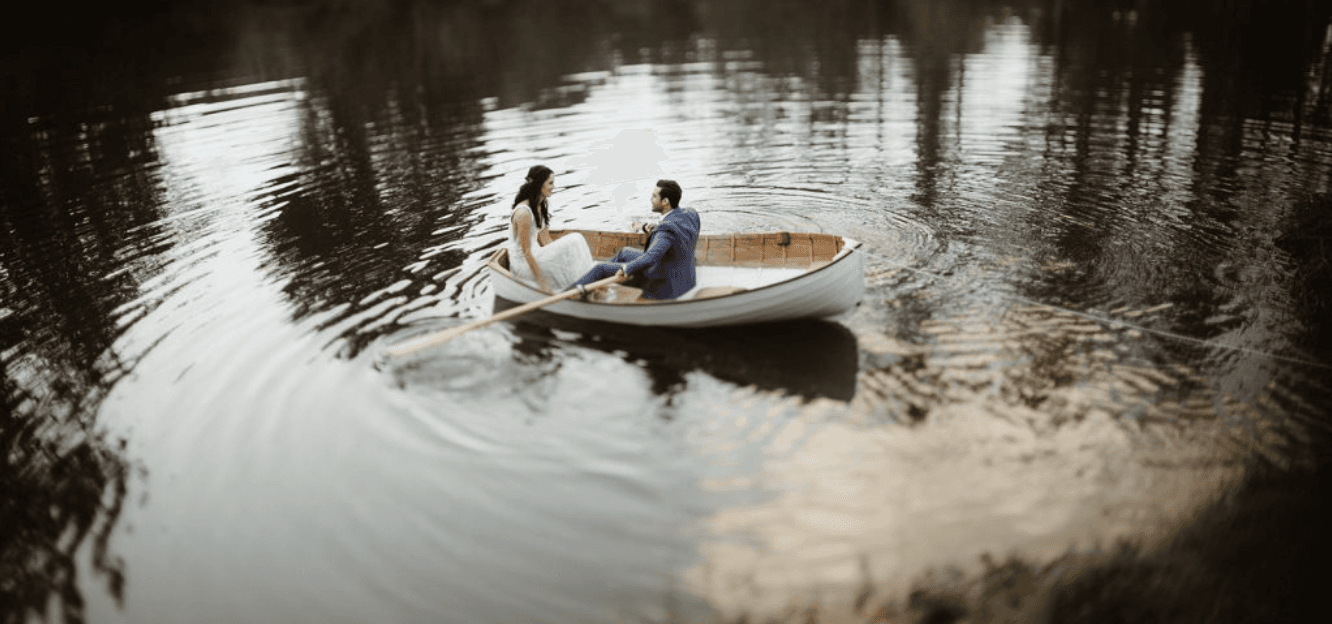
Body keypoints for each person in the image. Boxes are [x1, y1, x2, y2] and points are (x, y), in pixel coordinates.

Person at [571, 179, 700, 300]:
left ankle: (569, 294)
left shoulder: (665, 231)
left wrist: (625, 269)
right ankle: (607, 284)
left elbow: (650, 257)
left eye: (654, 196)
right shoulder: (690, 214)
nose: (651, 199)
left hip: (666, 286)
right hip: (687, 280)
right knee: (625, 252)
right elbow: (673, 230)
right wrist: (652, 227)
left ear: (665, 201)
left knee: (600, 268)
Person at [505, 165, 594, 292]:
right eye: (550, 183)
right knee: (575, 239)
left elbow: (545, 238)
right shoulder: (523, 213)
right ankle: (582, 283)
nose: (553, 187)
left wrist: (559, 257)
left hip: (537, 255)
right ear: (539, 184)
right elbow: (526, 252)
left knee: (574, 244)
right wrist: (541, 280)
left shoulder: (540, 204)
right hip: (524, 264)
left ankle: (587, 280)